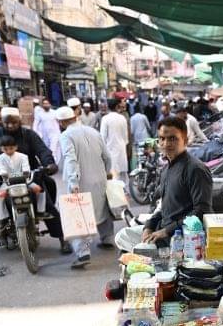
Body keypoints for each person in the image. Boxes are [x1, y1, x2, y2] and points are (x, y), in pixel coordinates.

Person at [0, 107, 65, 252]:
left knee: (46, 197)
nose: (10, 126)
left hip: (28, 176)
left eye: (14, 122)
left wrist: (49, 164)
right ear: (2, 122)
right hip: (0, 178)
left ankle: (62, 238)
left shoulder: (29, 134)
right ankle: (0, 223)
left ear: (20, 121)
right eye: (7, 123)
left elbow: (42, 150)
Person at [133, 116, 212, 247]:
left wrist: (166, 231)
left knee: (134, 245)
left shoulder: (195, 169)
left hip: (181, 238)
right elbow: (164, 207)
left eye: (172, 139)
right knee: (123, 235)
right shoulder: (166, 169)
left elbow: (202, 210)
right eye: (162, 139)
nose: (166, 144)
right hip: (161, 229)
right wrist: (148, 227)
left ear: (185, 141)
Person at [54, 106, 115, 268]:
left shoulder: (66, 135)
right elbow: (107, 156)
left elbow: (70, 159)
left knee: (79, 215)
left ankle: (83, 253)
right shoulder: (93, 132)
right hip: (99, 178)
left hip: (81, 182)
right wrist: (106, 172)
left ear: (62, 122)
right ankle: (107, 239)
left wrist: (73, 182)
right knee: (102, 208)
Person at [0, 134, 44, 215]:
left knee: (38, 189)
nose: (8, 151)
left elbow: (26, 168)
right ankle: (3, 218)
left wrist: (25, 173)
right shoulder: (0, 158)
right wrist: (4, 174)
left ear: (16, 147)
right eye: (5, 149)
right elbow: (1, 169)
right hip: (7, 183)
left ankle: (41, 210)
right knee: (0, 195)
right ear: (1, 149)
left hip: (25, 181)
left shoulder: (23, 156)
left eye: (11, 148)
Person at [99, 97, 131, 184]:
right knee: (122, 178)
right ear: (117, 106)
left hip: (110, 151)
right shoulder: (122, 118)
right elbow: (126, 139)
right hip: (121, 150)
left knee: (113, 180)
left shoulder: (105, 119)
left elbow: (102, 137)